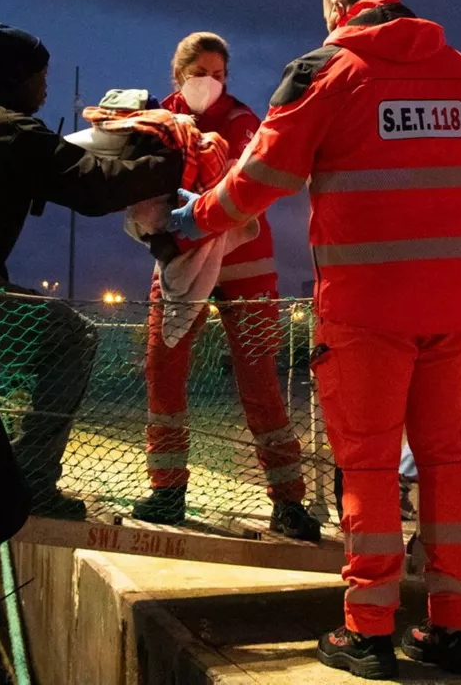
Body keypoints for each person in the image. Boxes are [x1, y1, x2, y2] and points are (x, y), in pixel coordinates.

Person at [170, 0, 461, 678]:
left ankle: (368, 632)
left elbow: (264, 175)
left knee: (367, 464)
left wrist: (198, 219)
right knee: (448, 462)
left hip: (366, 313)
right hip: (452, 311)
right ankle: (454, 631)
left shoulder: (328, 71)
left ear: (337, 8)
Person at [0, 24, 183, 519]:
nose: (46, 88)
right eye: (40, 76)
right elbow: (92, 188)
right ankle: (33, 482)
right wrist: (169, 161)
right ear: (19, 78)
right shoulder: (12, 130)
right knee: (72, 338)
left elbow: (53, 165)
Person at [131, 32, 320, 542]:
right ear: (179, 76)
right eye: (200, 74)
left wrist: (194, 214)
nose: (210, 84)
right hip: (178, 261)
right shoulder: (158, 118)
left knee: (259, 378)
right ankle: (167, 490)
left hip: (245, 261)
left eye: (218, 75)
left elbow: (251, 180)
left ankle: (288, 500)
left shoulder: (242, 121)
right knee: (162, 370)